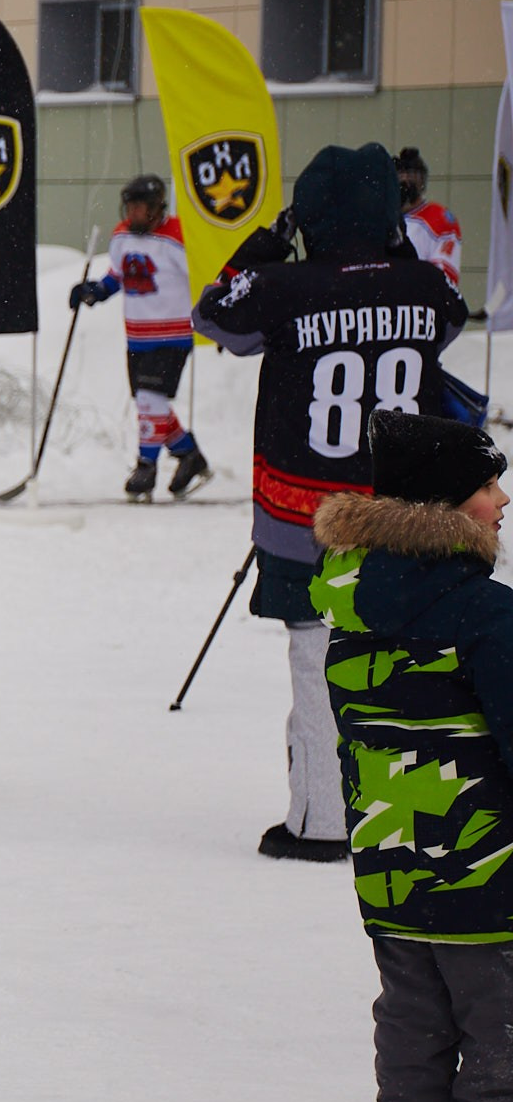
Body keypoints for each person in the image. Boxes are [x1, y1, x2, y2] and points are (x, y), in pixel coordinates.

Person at [196, 141, 468, 863]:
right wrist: (394, 241)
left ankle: (321, 819)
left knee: (317, 662)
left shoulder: (284, 287)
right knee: (403, 663)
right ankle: (411, 811)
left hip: (305, 519)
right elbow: (452, 313)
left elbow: (213, 314)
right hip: (406, 515)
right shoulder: (423, 284)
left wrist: (264, 244)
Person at [309, 409, 513, 1102]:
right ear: (445, 507)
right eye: (487, 485)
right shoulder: (485, 616)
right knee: (498, 1027)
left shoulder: (350, 609)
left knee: (413, 1020)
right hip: (482, 864)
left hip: (389, 862)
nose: (500, 500)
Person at [69, 173, 209, 501]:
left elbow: (203, 277)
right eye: (129, 206)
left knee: (150, 400)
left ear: (157, 207)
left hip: (173, 334)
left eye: (140, 207)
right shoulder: (121, 235)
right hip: (137, 336)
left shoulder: (177, 236)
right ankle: (189, 455)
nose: (133, 213)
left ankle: (146, 466)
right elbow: (117, 276)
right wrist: (94, 291)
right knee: (150, 403)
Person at [395, 147, 462, 289]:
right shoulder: (386, 218)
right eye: (401, 174)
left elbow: (444, 277)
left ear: (422, 180)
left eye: (412, 174)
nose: (406, 179)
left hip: (423, 303)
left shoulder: (439, 218)